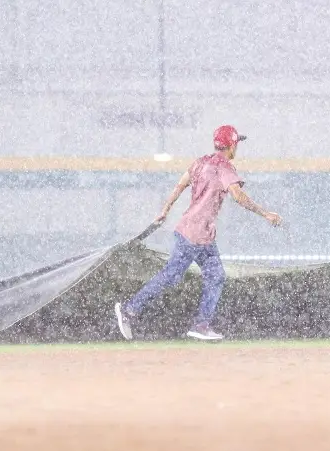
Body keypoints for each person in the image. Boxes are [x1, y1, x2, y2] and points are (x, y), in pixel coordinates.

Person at [114, 125, 283, 341]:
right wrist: (266, 214)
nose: (237, 148)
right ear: (231, 145)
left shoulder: (200, 162)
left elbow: (180, 185)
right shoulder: (225, 168)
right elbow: (238, 196)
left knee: (216, 275)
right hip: (193, 235)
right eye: (236, 144)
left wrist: (164, 210)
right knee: (172, 275)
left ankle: (201, 325)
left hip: (202, 235)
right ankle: (129, 310)